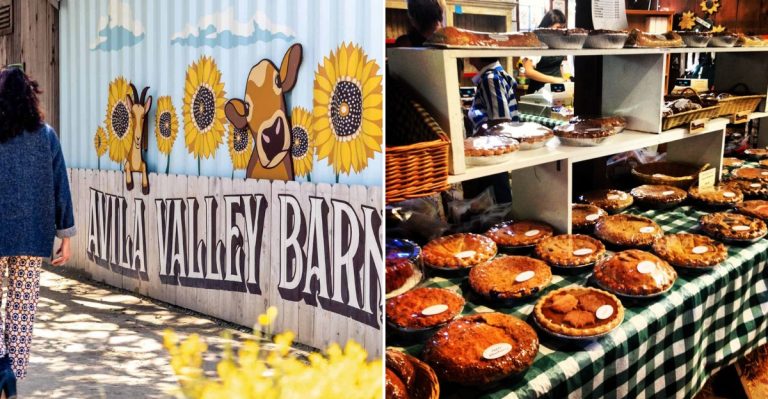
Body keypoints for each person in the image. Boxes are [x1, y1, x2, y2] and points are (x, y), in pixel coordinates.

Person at [0, 66, 75, 397]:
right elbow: (62, 186)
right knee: (22, 307)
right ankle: (11, 374)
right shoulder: (46, 136)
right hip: (33, 237)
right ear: (31, 99)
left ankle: (0, 369)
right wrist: (66, 236)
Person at [467, 57, 520, 133]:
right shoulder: (494, 74)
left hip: (494, 142)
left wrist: (475, 138)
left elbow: (501, 122)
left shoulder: (490, 79)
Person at [523, 10, 569, 93]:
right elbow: (528, 71)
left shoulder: (559, 42)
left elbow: (559, 66)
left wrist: (565, 82)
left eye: (563, 28)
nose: (561, 31)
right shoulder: (534, 41)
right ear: (548, 25)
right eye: (558, 28)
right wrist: (554, 80)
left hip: (557, 90)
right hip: (539, 91)